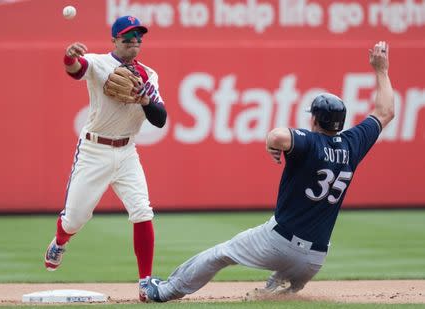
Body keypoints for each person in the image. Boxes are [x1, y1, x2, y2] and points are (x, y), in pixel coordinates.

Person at [141, 41, 394, 302]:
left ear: (315, 120)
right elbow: (385, 111)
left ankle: (163, 291)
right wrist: (382, 70)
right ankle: (277, 292)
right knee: (280, 285)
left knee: (221, 254)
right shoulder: (353, 143)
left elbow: (277, 135)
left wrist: (271, 144)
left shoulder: (310, 142)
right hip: (315, 258)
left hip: (279, 243)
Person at [43, 15, 167, 302]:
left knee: (142, 210)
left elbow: (160, 120)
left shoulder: (149, 75)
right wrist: (69, 56)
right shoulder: (99, 63)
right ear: (114, 40)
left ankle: (145, 282)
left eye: (138, 37)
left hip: (127, 152)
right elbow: (76, 69)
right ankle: (61, 241)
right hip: (94, 150)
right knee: (75, 218)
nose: (134, 42)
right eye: (127, 37)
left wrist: (146, 100)